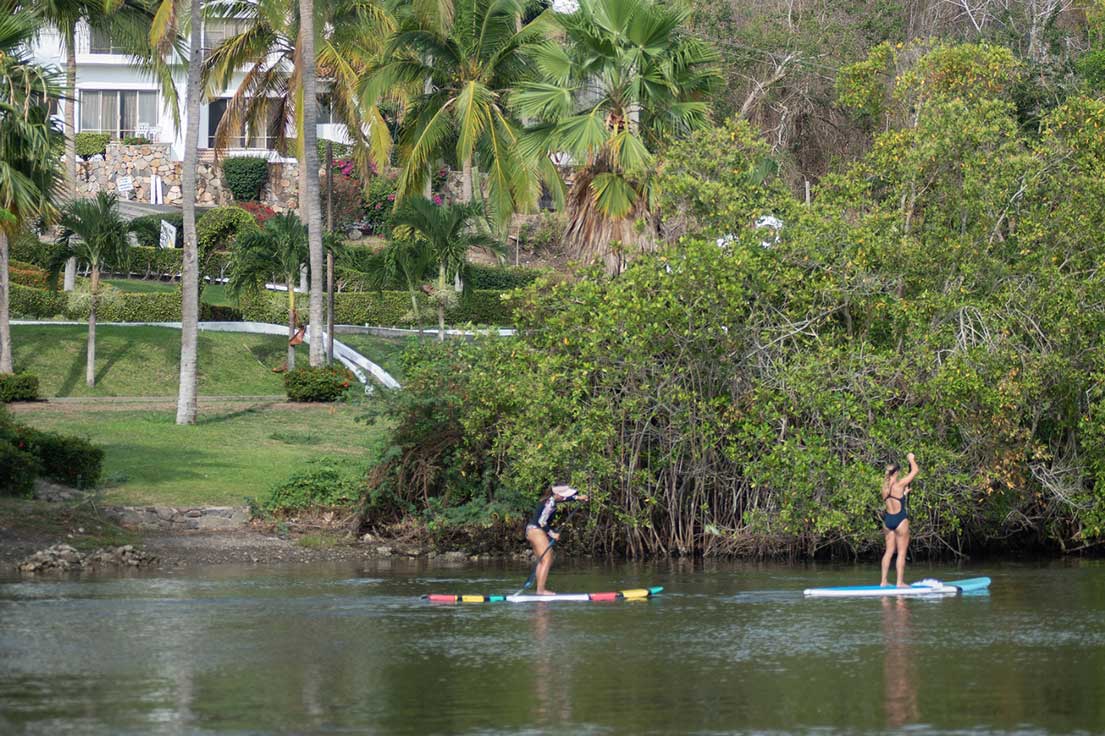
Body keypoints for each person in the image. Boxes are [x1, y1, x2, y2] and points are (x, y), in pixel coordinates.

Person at [525, 484, 588, 595]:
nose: (565, 497)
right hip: (536, 531)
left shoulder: (552, 499)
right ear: (557, 494)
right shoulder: (549, 504)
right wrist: (552, 534)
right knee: (548, 559)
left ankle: (539, 590)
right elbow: (542, 522)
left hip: (531, 531)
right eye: (563, 495)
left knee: (542, 560)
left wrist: (578, 498)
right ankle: (540, 590)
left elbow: (565, 499)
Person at [880, 452, 918, 587]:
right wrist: (911, 459)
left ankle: (883, 581)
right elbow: (915, 470)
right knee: (901, 552)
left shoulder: (884, 488)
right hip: (900, 520)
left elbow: (892, 497)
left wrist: (904, 494)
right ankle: (899, 582)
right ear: (896, 473)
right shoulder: (900, 484)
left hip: (888, 521)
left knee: (889, 551)